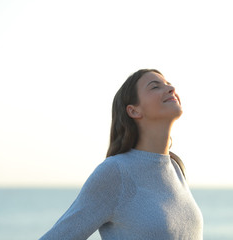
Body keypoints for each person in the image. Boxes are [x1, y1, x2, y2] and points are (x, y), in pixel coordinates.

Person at [39, 69, 204, 240]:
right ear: (133, 111)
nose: (171, 89)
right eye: (155, 87)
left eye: (168, 85)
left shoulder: (176, 167)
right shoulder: (115, 172)